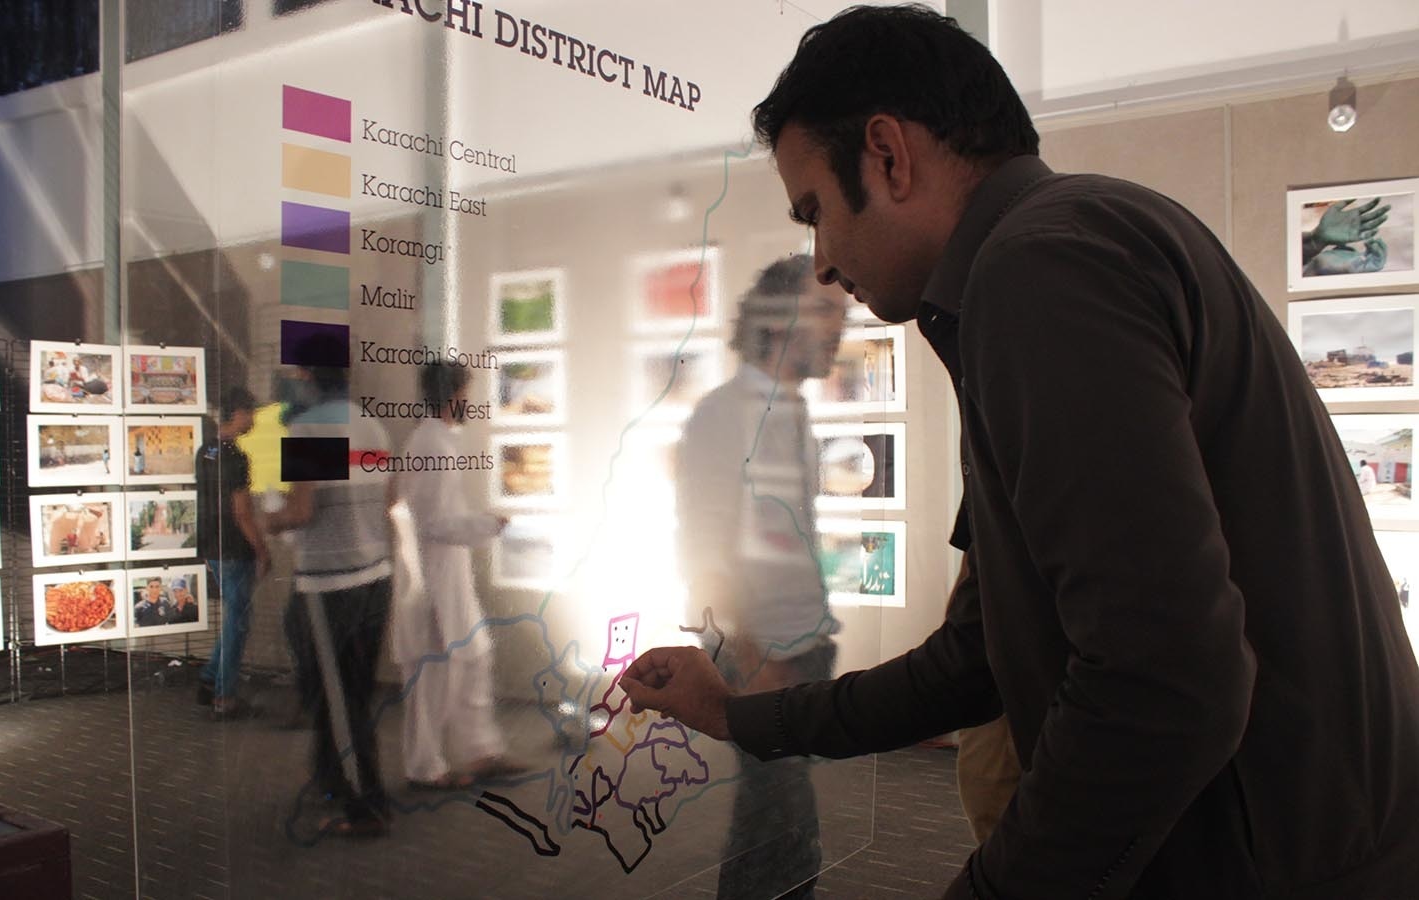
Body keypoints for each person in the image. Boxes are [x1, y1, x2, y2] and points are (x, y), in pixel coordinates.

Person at [620, 6, 1419, 899]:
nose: (823, 263)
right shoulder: (1076, 240)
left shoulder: (1039, 270)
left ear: (887, 155)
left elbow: (1166, 681)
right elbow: (981, 650)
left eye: (815, 214)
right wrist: (737, 712)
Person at [675, 254, 844, 899]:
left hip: (797, 649)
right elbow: (703, 554)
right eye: (826, 309)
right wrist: (752, 664)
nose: (839, 328)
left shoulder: (791, 411)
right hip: (762, 658)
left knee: (774, 825)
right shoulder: (726, 414)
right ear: (779, 318)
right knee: (783, 826)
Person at [267, 334, 393, 837]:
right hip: (374, 578)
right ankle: (333, 784)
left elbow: (300, 510)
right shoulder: (372, 425)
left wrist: (263, 520)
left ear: (307, 375)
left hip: (328, 585)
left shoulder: (308, 428)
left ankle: (366, 806)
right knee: (353, 695)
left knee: (335, 699)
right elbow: (387, 503)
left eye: (294, 373)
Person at [388, 362, 521, 790]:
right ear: (453, 395)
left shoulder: (438, 441)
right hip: (430, 580)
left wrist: (480, 524)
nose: (471, 401)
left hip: (445, 576)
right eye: (467, 391)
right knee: (433, 676)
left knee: (472, 657)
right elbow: (433, 523)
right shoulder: (431, 444)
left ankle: (479, 751)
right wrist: (485, 525)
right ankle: (425, 767)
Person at [195, 386, 270, 720]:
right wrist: (262, 549)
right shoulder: (236, 457)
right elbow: (242, 513)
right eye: (250, 412)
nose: (253, 418)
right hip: (235, 549)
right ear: (237, 413)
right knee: (238, 623)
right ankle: (224, 697)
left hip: (211, 545)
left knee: (232, 618)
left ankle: (210, 679)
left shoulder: (206, 449)